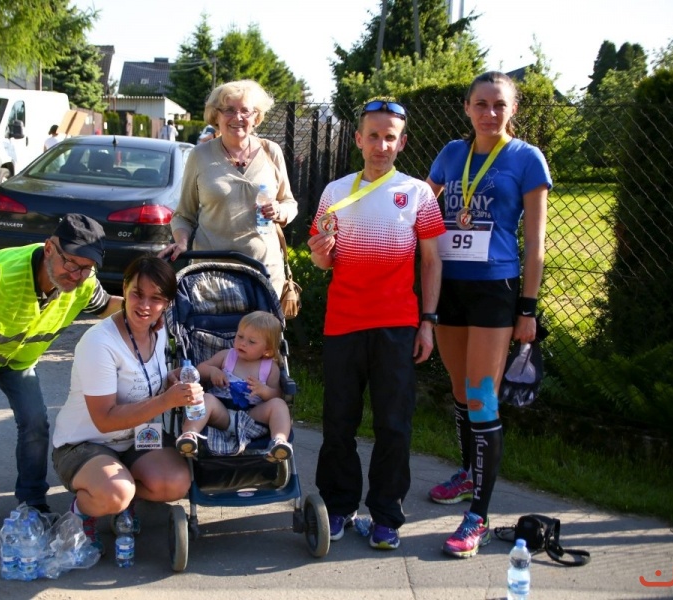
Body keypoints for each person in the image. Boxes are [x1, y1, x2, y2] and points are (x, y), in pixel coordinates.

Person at [0, 214, 122, 542]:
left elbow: (105, 306)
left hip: (15, 358)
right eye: (71, 263)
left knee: (35, 422)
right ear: (49, 249)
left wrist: (148, 302)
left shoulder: (84, 282)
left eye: (86, 268)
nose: (76, 275)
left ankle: (32, 501)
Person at [307, 99, 445, 551]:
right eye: (373, 136)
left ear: (402, 143)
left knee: (394, 425)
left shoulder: (418, 194)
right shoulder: (334, 192)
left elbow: (431, 261)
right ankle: (338, 507)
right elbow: (323, 260)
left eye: (390, 137)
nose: (381, 145)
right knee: (338, 423)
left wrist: (428, 322)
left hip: (397, 324)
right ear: (358, 140)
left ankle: (386, 515)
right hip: (343, 323)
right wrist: (321, 252)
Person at [425, 71, 551, 558]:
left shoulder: (526, 158)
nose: (489, 113)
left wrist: (528, 308)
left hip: (494, 289)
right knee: (461, 391)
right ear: (467, 107)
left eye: (499, 104)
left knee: (481, 397)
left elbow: (535, 243)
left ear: (512, 109)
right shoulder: (451, 154)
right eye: (481, 103)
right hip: (450, 285)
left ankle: (478, 515)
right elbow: (419, 209)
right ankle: (467, 473)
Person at [51, 255, 196, 551]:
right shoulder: (99, 343)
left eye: (156, 298)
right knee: (116, 492)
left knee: (176, 483)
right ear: (124, 289)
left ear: (167, 304)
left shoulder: (158, 330)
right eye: (137, 294)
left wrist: (170, 380)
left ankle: (124, 497)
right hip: (85, 442)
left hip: (137, 436)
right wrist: (166, 401)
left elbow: (143, 379)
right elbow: (104, 419)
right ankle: (84, 511)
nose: (145, 306)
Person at [159, 79, 298, 297]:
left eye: (245, 111)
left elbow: (290, 203)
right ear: (216, 115)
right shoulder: (200, 155)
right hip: (211, 276)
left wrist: (279, 211)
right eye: (229, 110)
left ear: (256, 116)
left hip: (264, 273)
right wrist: (182, 242)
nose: (238, 117)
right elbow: (183, 215)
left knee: (261, 322)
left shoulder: (271, 151)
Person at [174, 311, 293, 462]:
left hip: (253, 416)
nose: (242, 343)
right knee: (206, 398)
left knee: (279, 405)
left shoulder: (270, 367)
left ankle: (279, 441)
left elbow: (276, 394)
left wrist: (264, 391)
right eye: (240, 336)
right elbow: (200, 369)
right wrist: (212, 371)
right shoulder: (227, 356)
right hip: (222, 413)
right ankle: (189, 435)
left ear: (267, 350)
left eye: (251, 342)